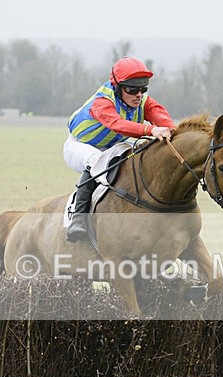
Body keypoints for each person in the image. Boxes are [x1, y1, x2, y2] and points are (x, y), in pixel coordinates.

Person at [63, 56, 176, 242]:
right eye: (132, 89)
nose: (139, 94)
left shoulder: (142, 101)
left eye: (143, 88)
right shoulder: (102, 102)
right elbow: (116, 124)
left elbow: (160, 115)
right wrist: (150, 129)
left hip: (112, 146)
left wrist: (174, 133)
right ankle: (78, 218)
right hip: (80, 145)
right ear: (117, 87)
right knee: (96, 160)